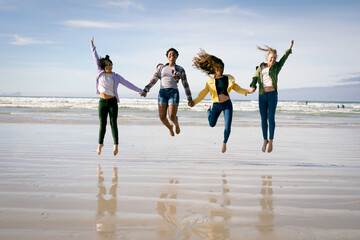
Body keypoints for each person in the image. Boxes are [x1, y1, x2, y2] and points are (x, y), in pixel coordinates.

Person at [91, 37, 143, 156]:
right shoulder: (100, 73)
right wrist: (92, 46)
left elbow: (128, 84)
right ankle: (100, 145)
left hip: (112, 102)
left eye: (111, 64)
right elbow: (95, 58)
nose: (110, 66)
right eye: (107, 64)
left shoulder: (116, 76)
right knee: (102, 124)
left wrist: (140, 91)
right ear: (104, 66)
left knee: (114, 123)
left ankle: (116, 146)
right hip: (102, 102)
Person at [191, 49, 250, 153]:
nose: (220, 70)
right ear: (214, 69)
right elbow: (203, 93)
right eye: (218, 68)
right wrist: (194, 102)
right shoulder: (210, 82)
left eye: (222, 68)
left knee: (228, 127)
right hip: (216, 105)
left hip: (227, 104)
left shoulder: (228, 78)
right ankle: (208, 109)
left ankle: (224, 142)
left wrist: (247, 91)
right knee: (212, 124)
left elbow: (237, 88)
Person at [248, 40, 294, 153]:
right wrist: (252, 87)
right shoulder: (260, 67)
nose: (273, 59)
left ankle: (271, 141)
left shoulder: (276, 67)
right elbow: (254, 78)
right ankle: (265, 140)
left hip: (272, 95)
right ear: (267, 57)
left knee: (271, 118)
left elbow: (284, 58)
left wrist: (290, 47)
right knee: (263, 119)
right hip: (262, 95)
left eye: (274, 58)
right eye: (271, 57)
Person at [140, 48, 194, 136]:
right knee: (162, 117)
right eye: (170, 54)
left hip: (173, 93)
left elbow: (185, 84)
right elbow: (154, 80)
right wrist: (146, 90)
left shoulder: (180, 69)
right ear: (167, 56)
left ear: (177, 56)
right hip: (162, 93)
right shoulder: (162, 68)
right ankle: (170, 128)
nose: (172, 55)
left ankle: (176, 124)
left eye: (174, 54)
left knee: (172, 116)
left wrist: (189, 99)